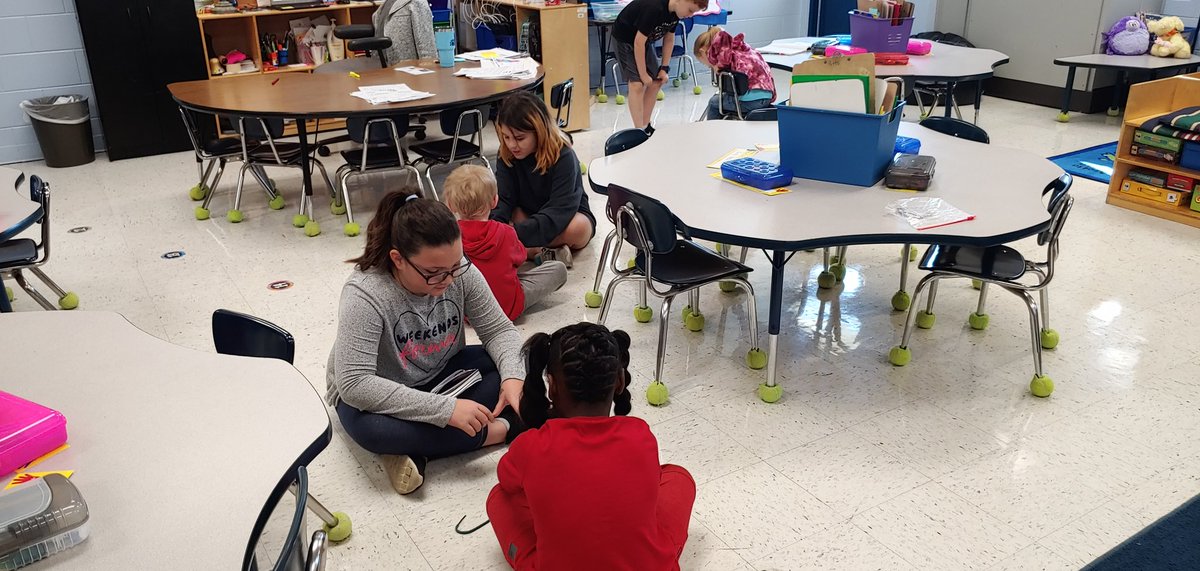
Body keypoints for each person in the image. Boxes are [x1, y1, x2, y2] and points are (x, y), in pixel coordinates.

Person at [326, 188, 527, 495]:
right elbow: (355, 384)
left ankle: (416, 449)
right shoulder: (365, 293)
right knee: (374, 432)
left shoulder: (459, 272)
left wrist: (513, 378)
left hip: (441, 373)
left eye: (454, 267)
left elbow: (500, 331)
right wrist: (445, 410)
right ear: (398, 259)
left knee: (520, 364)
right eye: (433, 273)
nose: (447, 280)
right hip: (378, 396)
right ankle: (505, 429)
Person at [486, 322, 696, 570]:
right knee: (677, 477)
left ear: (551, 386)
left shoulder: (530, 445)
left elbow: (508, 482)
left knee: (499, 498)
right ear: (619, 381)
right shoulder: (641, 434)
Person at [443, 164, 567, 321]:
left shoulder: (449, 238)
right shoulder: (506, 232)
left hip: (469, 313)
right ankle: (539, 256)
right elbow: (519, 260)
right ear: (495, 201)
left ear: (451, 205)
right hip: (509, 307)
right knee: (558, 269)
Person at [491, 91, 595, 268]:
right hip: (528, 216)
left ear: (539, 131)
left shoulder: (563, 155)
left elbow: (561, 209)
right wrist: (494, 229)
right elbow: (504, 200)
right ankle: (537, 251)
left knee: (578, 228)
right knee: (509, 215)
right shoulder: (507, 155)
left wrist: (508, 236)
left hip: (564, 218)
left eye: (519, 138)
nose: (511, 145)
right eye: (506, 137)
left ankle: (528, 250)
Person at [611, 0, 708, 130]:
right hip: (625, 39)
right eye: (690, 10)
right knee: (637, 84)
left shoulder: (676, 14)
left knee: (657, 81)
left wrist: (664, 68)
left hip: (643, 42)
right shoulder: (654, 8)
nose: (690, 16)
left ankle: (646, 125)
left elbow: (669, 39)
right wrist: (643, 74)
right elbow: (638, 43)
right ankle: (638, 130)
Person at [693, 25, 777, 120]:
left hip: (750, 102)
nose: (706, 66)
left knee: (713, 102)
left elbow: (723, 79)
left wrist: (714, 66)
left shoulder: (724, 59)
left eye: (702, 61)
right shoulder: (744, 50)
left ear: (703, 53)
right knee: (724, 100)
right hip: (767, 97)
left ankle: (713, 131)